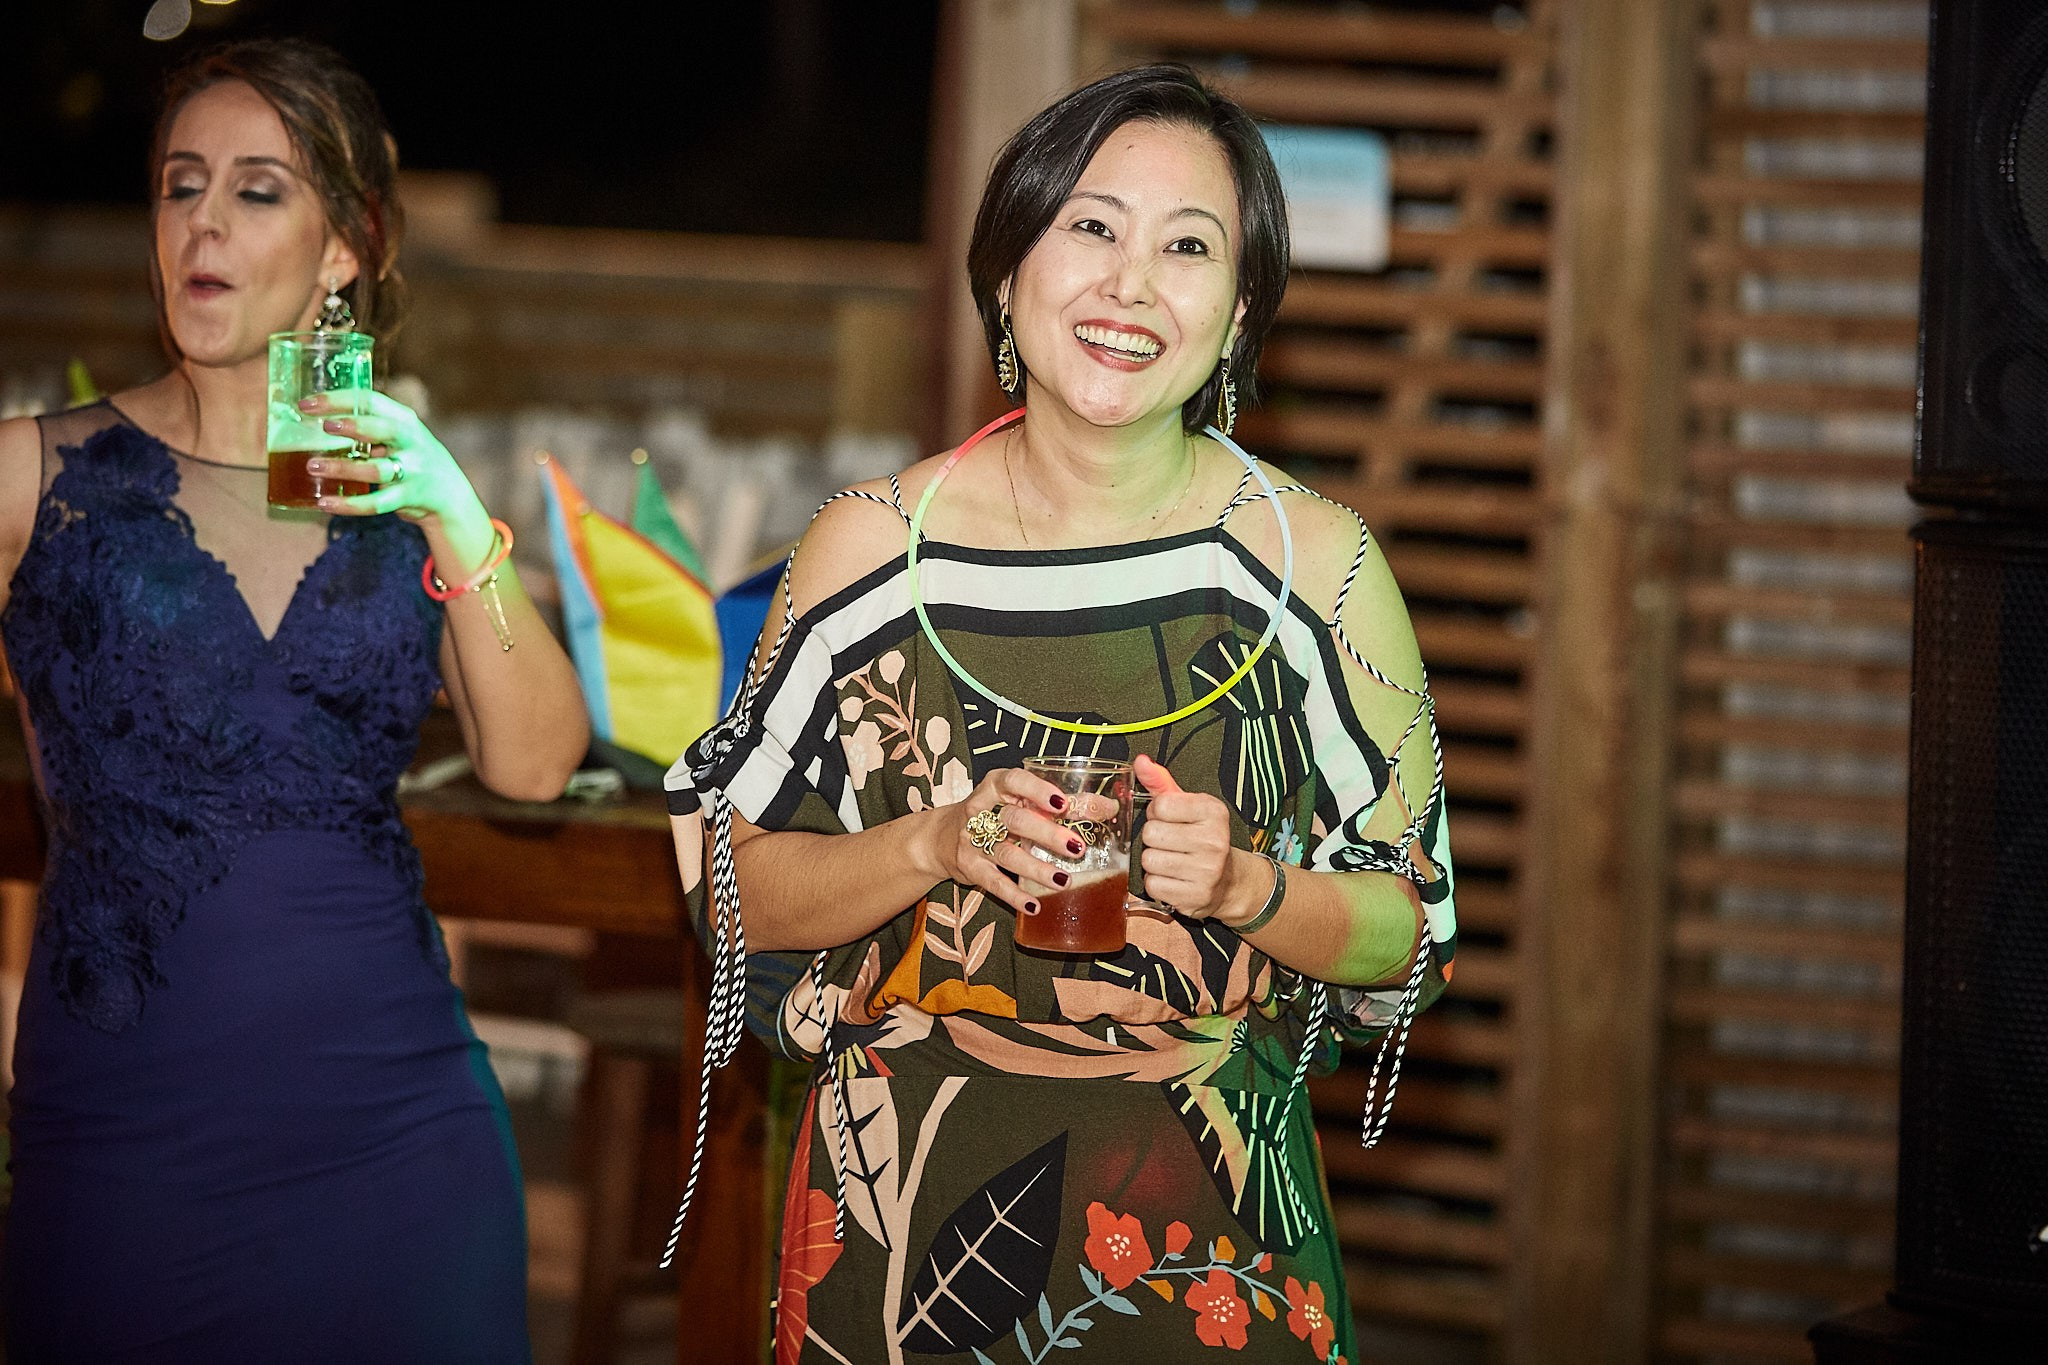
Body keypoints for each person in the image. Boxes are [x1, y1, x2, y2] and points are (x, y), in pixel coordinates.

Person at [664, 65, 1455, 1363]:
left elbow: (1412, 928)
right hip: (898, 1254)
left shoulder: (1321, 570)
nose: (1131, 284)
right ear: (1008, 264)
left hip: (1207, 1268)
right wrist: (930, 843)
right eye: (1092, 225)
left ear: (1241, 312)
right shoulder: (869, 552)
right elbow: (730, 889)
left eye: (1187, 246)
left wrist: (1251, 884)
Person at [0, 39, 586, 1362]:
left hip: (402, 1149)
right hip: (121, 1158)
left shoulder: (400, 495)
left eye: (257, 190)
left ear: (345, 249)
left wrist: (447, 500)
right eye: (179, 185)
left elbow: (537, 764)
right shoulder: (34, 477)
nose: (204, 222)